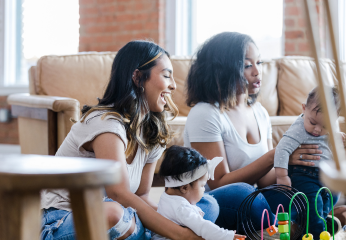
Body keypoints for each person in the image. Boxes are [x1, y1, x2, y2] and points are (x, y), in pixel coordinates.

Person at [40, 40, 218, 240]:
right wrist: (182, 234)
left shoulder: (151, 130)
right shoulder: (106, 122)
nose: (174, 85)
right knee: (117, 215)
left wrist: (179, 217)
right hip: (61, 220)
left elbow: (141, 196)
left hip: (124, 216)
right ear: (138, 77)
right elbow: (119, 194)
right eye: (167, 75)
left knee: (206, 207)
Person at [183, 32, 324, 233]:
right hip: (215, 202)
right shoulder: (205, 113)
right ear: (221, 69)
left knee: (310, 186)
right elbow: (218, 184)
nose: (257, 71)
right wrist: (274, 156)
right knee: (245, 194)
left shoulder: (260, 112)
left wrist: (295, 163)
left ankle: (292, 224)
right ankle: (289, 225)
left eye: (259, 62)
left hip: (257, 198)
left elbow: (266, 180)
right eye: (247, 65)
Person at [274, 86, 343, 239]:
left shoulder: (324, 125)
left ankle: (317, 224)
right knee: (313, 202)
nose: (317, 130)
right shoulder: (299, 129)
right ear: (304, 109)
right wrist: (282, 176)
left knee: (333, 195)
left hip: (323, 174)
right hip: (305, 175)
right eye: (312, 122)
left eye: (325, 126)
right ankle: (317, 233)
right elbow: (282, 149)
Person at [152, 145, 246, 240]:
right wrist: (226, 235)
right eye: (202, 186)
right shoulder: (181, 208)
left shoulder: (167, 195)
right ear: (184, 188)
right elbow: (203, 227)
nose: (204, 189)